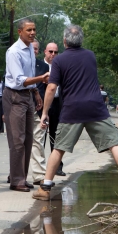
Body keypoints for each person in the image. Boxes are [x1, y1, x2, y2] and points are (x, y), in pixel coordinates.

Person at [32, 25, 118, 201]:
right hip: (95, 107)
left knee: (59, 148)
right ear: (81, 40)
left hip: (72, 109)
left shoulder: (59, 61)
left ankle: (45, 188)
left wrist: (45, 112)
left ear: (64, 41)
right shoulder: (90, 55)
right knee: (114, 143)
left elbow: (51, 87)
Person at [3, 18, 49, 192]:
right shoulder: (13, 52)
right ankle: (16, 180)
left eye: (34, 29)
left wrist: (36, 92)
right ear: (20, 32)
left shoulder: (30, 48)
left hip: (28, 95)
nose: (32, 33)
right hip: (15, 96)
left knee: (29, 139)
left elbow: (28, 75)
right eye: (28, 30)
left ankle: (22, 176)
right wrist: (42, 78)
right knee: (17, 140)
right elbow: (20, 79)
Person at [29, 39, 50, 185]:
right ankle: (16, 174)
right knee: (19, 143)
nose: (34, 51)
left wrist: (45, 111)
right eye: (32, 48)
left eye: (36, 49)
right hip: (20, 106)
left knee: (38, 142)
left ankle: (38, 175)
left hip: (38, 109)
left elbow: (49, 88)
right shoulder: (18, 61)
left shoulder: (43, 66)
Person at [43, 42, 66, 176]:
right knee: (41, 137)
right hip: (43, 103)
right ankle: (40, 166)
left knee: (57, 135)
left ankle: (57, 166)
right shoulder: (39, 66)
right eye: (50, 51)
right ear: (45, 52)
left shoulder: (61, 66)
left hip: (58, 103)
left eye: (55, 52)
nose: (53, 54)